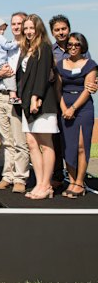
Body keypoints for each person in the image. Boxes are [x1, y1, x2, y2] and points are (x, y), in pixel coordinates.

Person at [17, 14, 59, 200]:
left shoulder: (44, 47)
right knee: (32, 143)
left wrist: (36, 97)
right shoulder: (27, 48)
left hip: (41, 102)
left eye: (31, 28)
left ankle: (46, 185)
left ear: (38, 28)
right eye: (25, 28)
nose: (28, 31)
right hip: (27, 102)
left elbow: (42, 75)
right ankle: (39, 183)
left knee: (45, 143)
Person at [0, 12, 30, 194]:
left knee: (19, 140)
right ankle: (8, 176)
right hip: (1, 95)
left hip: (17, 98)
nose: (16, 26)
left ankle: (20, 177)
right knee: (5, 139)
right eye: (13, 23)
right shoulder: (1, 43)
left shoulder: (28, 47)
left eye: (19, 23)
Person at [56, 33, 96, 198]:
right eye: (70, 44)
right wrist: (64, 108)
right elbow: (57, 90)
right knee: (68, 146)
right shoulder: (60, 64)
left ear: (82, 46)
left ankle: (79, 183)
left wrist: (73, 108)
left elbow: (88, 89)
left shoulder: (90, 64)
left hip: (83, 109)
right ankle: (71, 181)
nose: (73, 47)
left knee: (81, 146)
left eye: (77, 44)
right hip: (65, 110)